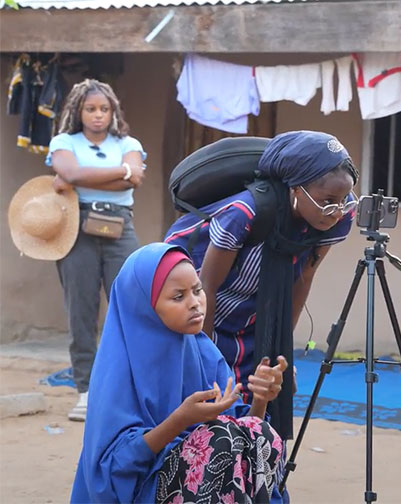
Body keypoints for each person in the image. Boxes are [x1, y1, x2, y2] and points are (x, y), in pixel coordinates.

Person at [165, 130, 359, 502]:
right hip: (198, 310)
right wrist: (204, 362)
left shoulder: (337, 219)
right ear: (294, 188)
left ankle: (252, 484)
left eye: (342, 200)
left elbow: (303, 277)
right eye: (327, 200)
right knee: (207, 397)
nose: (336, 210)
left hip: (255, 311)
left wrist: (279, 349)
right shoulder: (244, 214)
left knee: (262, 394)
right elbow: (206, 286)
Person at [70, 243, 287, 503]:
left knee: (258, 432)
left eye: (197, 290)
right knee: (219, 439)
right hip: (143, 490)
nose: (195, 304)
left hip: (205, 483)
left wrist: (261, 398)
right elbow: (111, 471)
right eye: (178, 296)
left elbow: (242, 438)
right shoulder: (118, 369)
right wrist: (178, 422)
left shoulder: (203, 352)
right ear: (145, 306)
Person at [47, 79, 147, 422]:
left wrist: (78, 178)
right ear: (78, 111)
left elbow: (134, 178)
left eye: (104, 108)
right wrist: (119, 172)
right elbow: (70, 169)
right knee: (81, 312)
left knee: (131, 306)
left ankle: (128, 393)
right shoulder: (64, 141)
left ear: (113, 110)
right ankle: (86, 393)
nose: (98, 115)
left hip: (120, 227)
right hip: (76, 228)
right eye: (90, 109)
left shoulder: (129, 142)